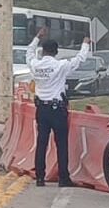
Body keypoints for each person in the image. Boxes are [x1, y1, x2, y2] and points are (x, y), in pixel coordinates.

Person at [26, 26, 92, 187]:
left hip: (41, 109)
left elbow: (28, 53)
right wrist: (85, 44)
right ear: (56, 52)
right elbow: (79, 60)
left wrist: (37, 37)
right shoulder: (60, 65)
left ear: (42, 52)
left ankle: (40, 177)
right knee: (61, 144)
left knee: (41, 143)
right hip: (57, 110)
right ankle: (63, 178)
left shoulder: (35, 65)